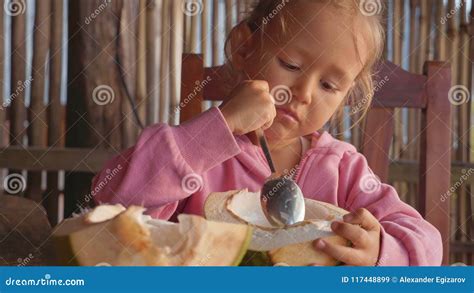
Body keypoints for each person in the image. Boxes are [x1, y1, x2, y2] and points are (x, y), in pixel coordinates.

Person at [92, 0, 442, 266]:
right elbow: (113, 200)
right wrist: (221, 125)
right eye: (290, 65)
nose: (304, 93)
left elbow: (427, 243)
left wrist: (381, 249)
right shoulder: (198, 152)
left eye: (329, 85)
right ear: (245, 48)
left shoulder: (344, 170)